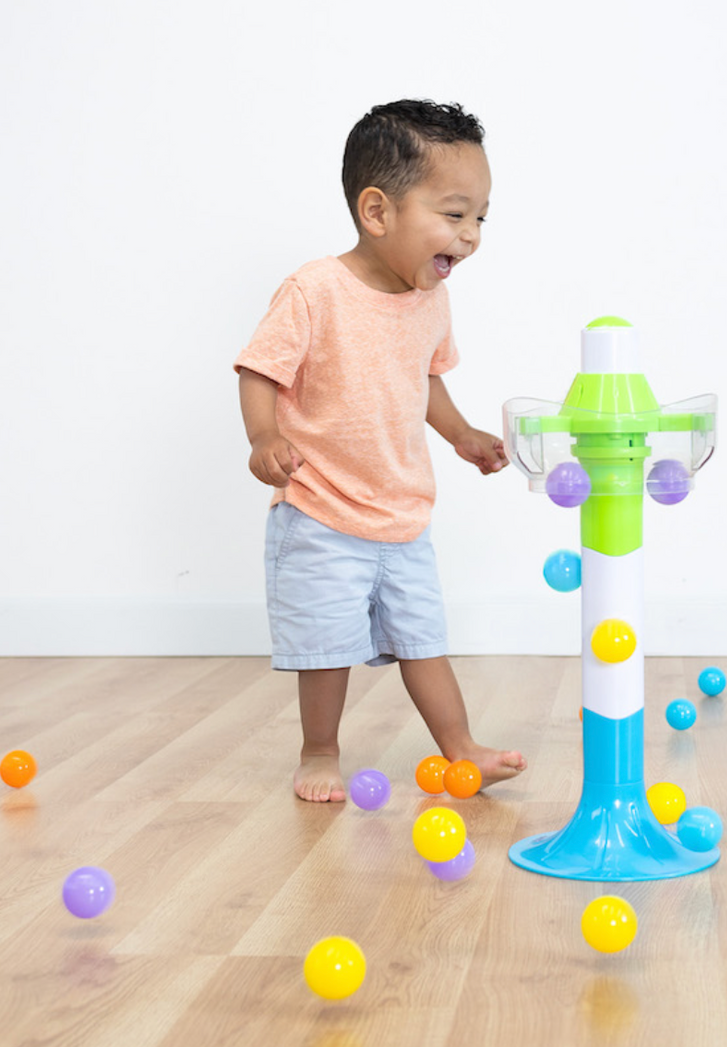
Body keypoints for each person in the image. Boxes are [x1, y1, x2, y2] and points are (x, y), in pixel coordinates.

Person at [235, 100, 526, 802]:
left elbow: (424, 377)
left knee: (424, 638)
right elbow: (260, 369)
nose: (471, 236)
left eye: (481, 218)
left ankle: (462, 748)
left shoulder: (430, 299)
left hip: (402, 512)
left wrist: (461, 434)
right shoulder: (315, 290)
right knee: (326, 646)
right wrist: (265, 437)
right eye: (454, 214)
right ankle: (320, 750)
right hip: (321, 508)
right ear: (377, 211)